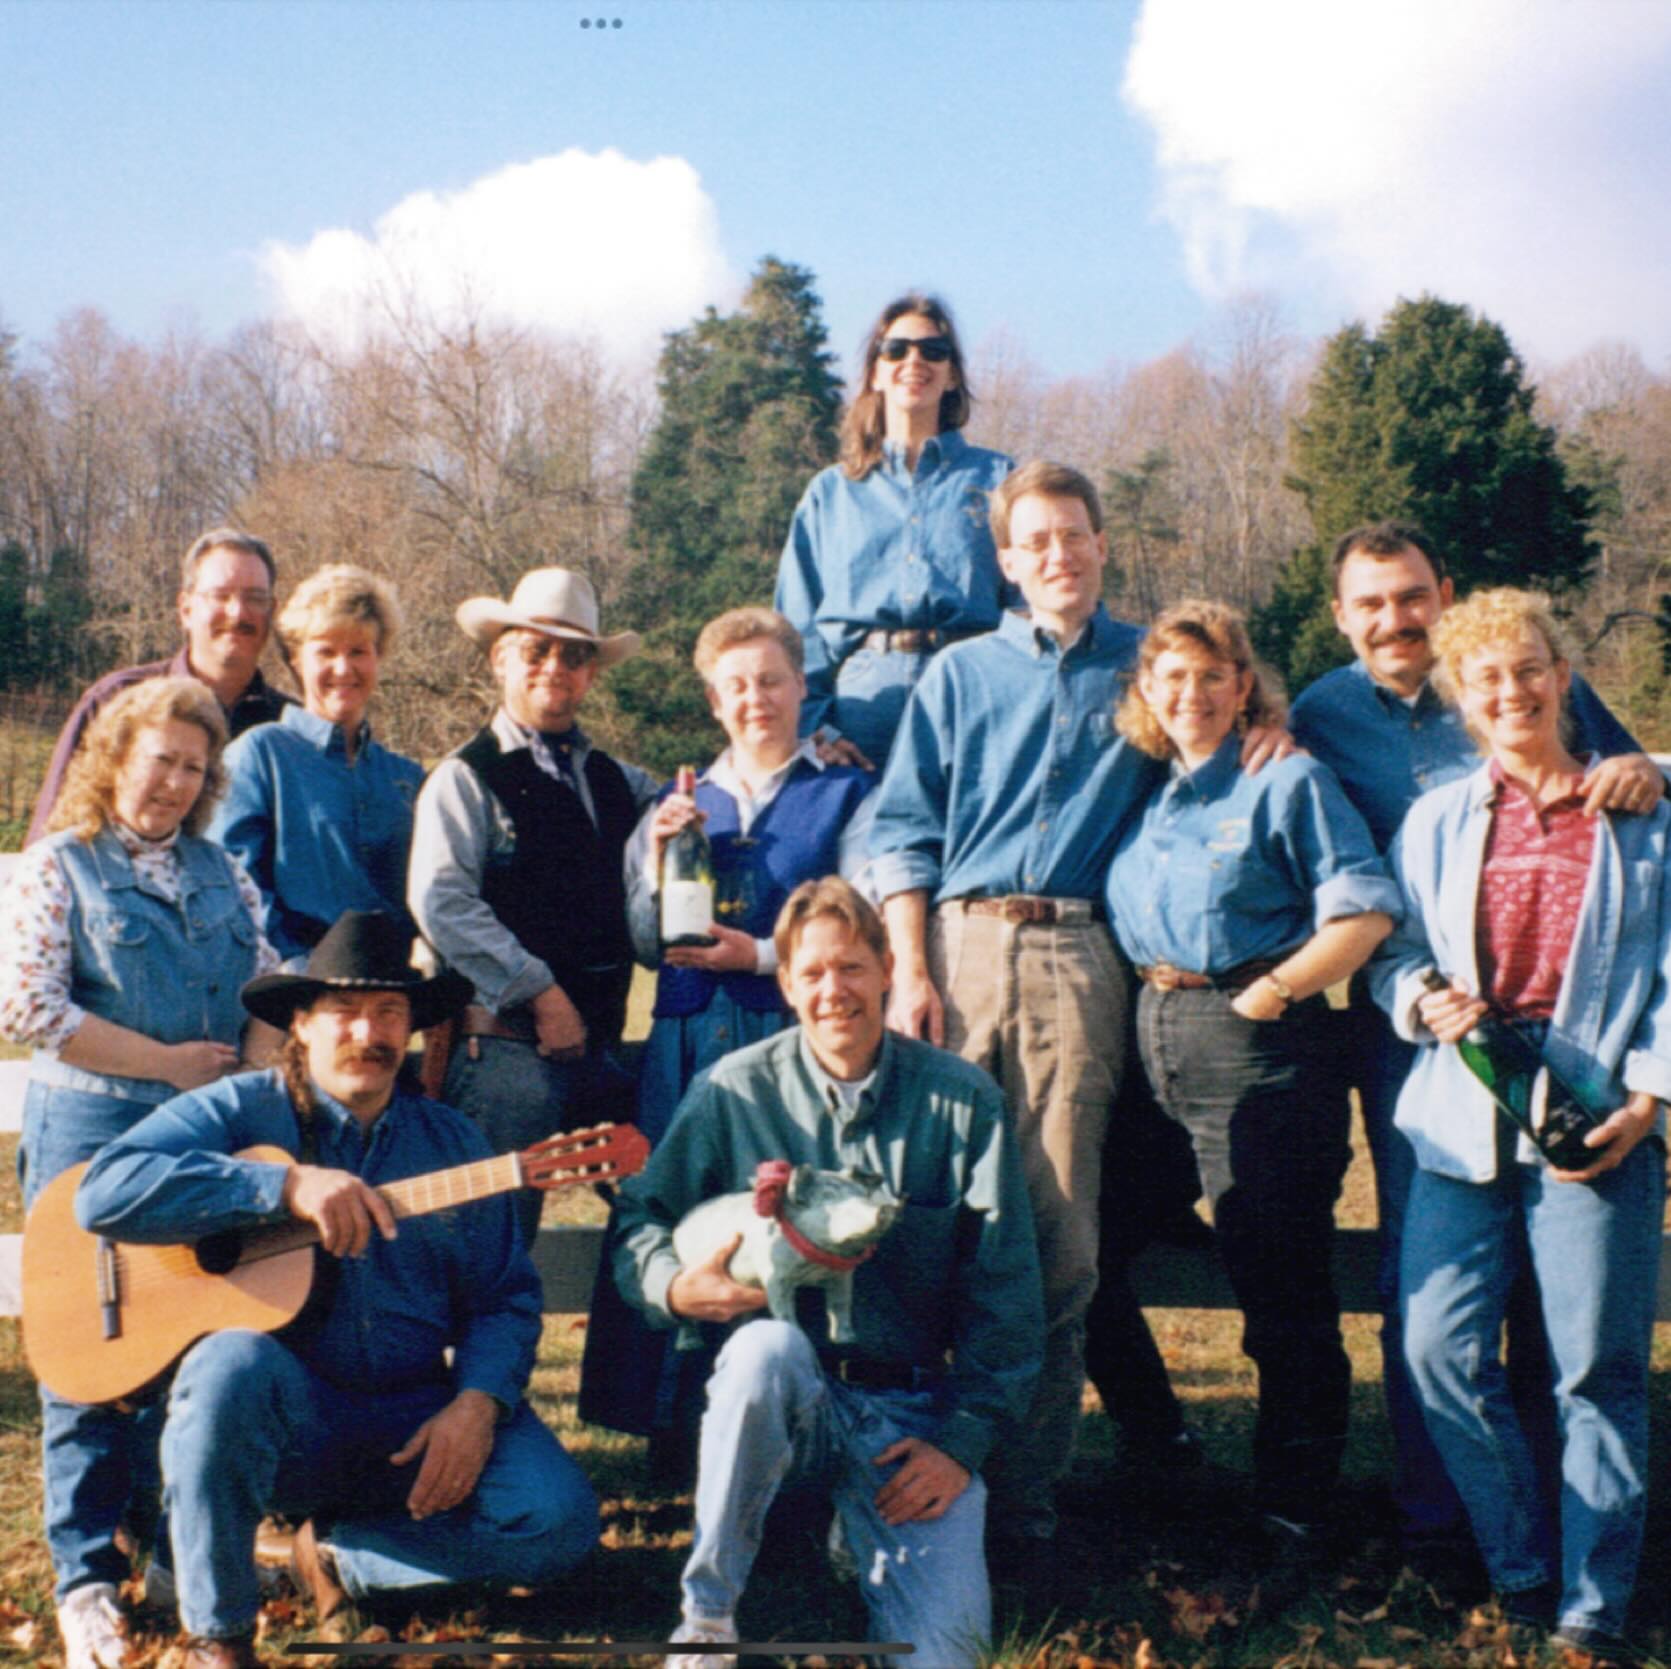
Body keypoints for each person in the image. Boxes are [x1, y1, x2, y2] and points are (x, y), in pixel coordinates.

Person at [870, 459, 1290, 1548]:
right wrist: (910, 968)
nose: (1059, 554)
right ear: (1007, 561)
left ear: (1104, 544)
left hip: (1077, 956)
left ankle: (1019, 1501)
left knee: (1056, 1234)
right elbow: (904, 826)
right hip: (959, 953)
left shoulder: (1148, 667)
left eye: (1076, 534)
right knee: (929, 1218)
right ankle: (896, 1472)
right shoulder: (961, 674)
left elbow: (1218, 736)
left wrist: (1273, 729)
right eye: (1036, 540)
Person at [75, 911, 600, 1669]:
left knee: (557, 1525)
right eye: (344, 1011)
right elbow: (103, 1191)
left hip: (413, 1415)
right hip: (290, 1420)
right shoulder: (239, 1110)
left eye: (389, 1012)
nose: (368, 1033)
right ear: (301, 1022)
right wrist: (281, 1183)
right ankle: (217, 1634)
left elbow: (504, 1297)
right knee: (227, 1364)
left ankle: (329, 1556)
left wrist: (477, 1403)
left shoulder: (453, 1142)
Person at [1289, 521, 1662, 1570]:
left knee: (1575, 1321)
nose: (1393, 619)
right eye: (1371, 603)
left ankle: (1581, 1551)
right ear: (1343, 616)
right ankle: (1454, 1532)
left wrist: (1660, 772)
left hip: (1587, 1048)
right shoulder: (1323, 721)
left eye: (1411, 596)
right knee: (1432, 1310)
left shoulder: (1558, 718)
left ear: (1442, 593)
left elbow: (1630, 777)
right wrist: (1409, 992)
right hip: (1435, 1059)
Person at [612, 879, 1043, 1668]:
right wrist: (672, 1287)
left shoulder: (961, 1101)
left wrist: (960, 1442)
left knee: (945, 1657)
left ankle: (858, 1530)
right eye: (810, 973)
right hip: (780, 1405)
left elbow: (1005, 1292)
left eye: (850, 967)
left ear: (887, 969)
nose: (831, 991)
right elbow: (639, 1217)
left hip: (905, 1416)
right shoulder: (730, 1089)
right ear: (785, 984)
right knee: (762, 1350)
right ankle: (706, 1622)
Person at [1369, 589, 1669, 1661]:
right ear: (1461, 696)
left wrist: (1651, 1097)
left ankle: (1593, 1602)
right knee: (1436, 1346)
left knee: (1596, 1367)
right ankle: (1522, 1565)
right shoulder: (1438, 819)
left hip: (1600, 1121)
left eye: (1530, 668)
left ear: (1563, 672)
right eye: (1486, 678)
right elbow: (1393, 953)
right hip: (1464, 1115)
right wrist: (1419, 1001)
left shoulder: (1639, 812)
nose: (1512, 692)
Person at [1104, 601, 1399, 1550]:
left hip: (1259, 1046)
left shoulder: (1287, 780)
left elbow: (1364, 910)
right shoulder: (1145, 790)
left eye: (1211, 675)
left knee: (1279, 1289)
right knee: (1081, 1251)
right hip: (1151, 1040)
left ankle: (1294, 1501)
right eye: (1171, 676)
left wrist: (1273, 990)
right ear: (1146, 690)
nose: (1190, 693)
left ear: (1243, 686)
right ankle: (1162, 1443)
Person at [0, 676, 277, 1669]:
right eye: (159, 758)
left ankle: (168, 1548)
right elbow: (29, 1009)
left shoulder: (222, 870)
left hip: (195, 1141)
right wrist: (166, 1064)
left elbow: (271, 982)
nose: (173, 781)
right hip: (88, 1133)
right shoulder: (54, 869)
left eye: (193, 767)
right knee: (83, 1353)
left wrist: (245, 1063)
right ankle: (82, 1577)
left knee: (180, 1341)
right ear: (118, 757)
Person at [579, 607, 875, 1456]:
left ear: (801, 689)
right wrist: (658, 862)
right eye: (737, 685)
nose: (756, 699)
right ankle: (669, 1422)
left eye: (772, 681)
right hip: (685, 1039)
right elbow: (642, 939)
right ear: (714, 699)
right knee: (673, 1209)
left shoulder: (843, 792)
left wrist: (758, 952)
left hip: (791, 1036)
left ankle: (796, 1425)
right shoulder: (675, 804)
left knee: (784, 1215)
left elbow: (859, 920)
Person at [408, 567, 657, 1243]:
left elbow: (701, 801)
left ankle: (624, 1351)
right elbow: (441, 901)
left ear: (591, 674)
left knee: (660, 1206)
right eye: (535, 650)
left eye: (574, 655)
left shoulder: (614, 780)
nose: (556, 668)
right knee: (491, 1249)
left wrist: (806, 744)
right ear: (499, 658)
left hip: (598, 1053)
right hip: (505, 1055)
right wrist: (539, 992)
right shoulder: (464, 777)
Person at [775, 292, 1014, 768]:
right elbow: (795, 627)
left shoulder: (998, 479)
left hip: (972, 696)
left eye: (934, 351)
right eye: (897, 350)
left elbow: (1027, 604)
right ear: (875, 372)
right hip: (860, 712)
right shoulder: (831, 493)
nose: (915, 361)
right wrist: (817, 727)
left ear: (953, 375)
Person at [210, 564, 423, 967]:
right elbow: (236, 886)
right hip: (294, 987)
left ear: (379, 657)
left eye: (358, 651)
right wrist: (297, 974)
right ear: (295, 659)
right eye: (325, 651)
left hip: (391, 993)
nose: (343, 668)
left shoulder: (406, 778)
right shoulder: (261, 754)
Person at [28, 529, 290, 845]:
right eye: (221, 595)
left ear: (272, 611)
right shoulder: (117, 701)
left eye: (255, 598)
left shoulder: (289, 727)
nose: (238, 612)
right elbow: (51, 836)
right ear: (185, 609)